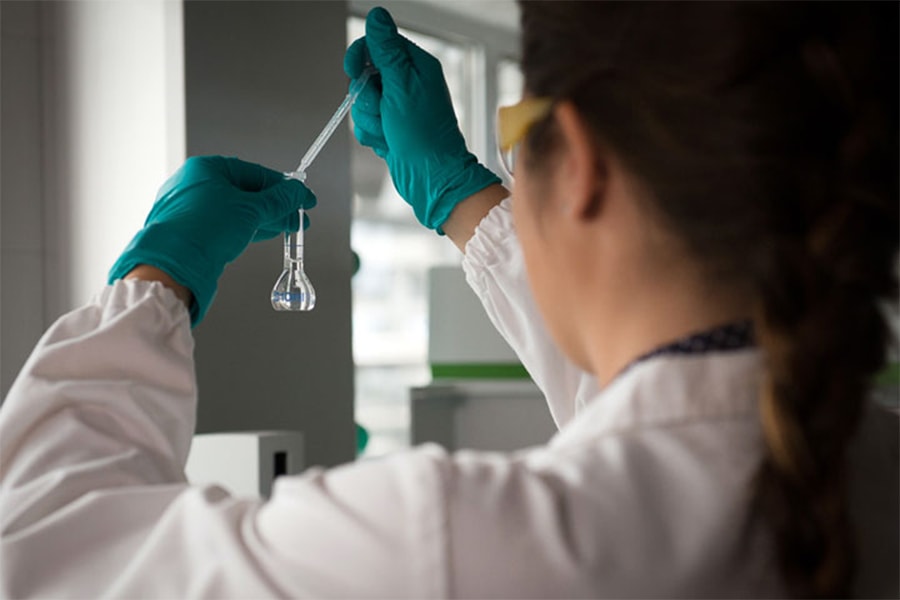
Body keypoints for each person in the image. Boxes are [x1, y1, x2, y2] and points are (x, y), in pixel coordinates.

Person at [0, 3, 897, 598]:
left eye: (520, 144)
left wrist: (153, 284)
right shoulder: (862, 454)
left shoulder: (452, 541)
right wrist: (467, 200)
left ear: (577, 160)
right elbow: (639, 407)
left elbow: (43, 548)